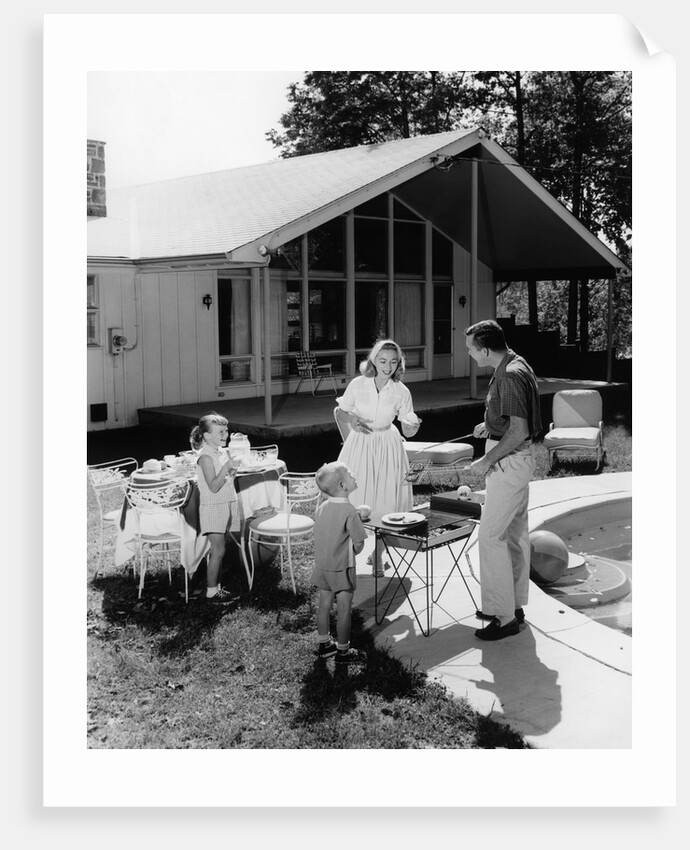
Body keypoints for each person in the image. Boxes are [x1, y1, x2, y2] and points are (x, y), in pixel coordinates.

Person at [465, 320, 542, 641]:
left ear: (484, 350)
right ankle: (513, 605)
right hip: (517, 459)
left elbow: (520, 430)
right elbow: (512, 418)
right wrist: (491, 424)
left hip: (509, 461)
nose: (469, 353)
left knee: (491, 536)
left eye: (470, 349)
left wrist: (486, 460)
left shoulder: (509, 376)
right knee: (513, 535)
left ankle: (504, 616)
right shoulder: (516, 363)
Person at [336, 339, 421, 575]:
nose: (388, 366)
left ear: (399, 364)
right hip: (360, 443)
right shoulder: (358, 384)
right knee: (354, 496)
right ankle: (347, 555)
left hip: (388, 445)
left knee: (387, 498)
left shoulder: (401, 391)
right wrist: (352, 420)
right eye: (383, 360)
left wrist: (413, 425)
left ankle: (379, 555)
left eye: (393, 362)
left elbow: (408, 429)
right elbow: (342, 412)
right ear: (373, 359)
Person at [310, 462, 369, 665]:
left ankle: (324, 644)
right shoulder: (350, 512)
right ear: (343, 486)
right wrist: (353, 550)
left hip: (323, 566)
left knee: (324, 605)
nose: (354, 475)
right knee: (344, 609)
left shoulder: (321, 508)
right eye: (351, 474)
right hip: (343, 567)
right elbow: (359, 544)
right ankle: (343, 652)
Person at [189, 412, 240, 604]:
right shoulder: (205, 457)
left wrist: (231, 469)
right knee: (217, 551)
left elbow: (225, 480)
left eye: (226, 431)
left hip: (224, 504)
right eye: (220, 432)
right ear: (206, 435)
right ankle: (211, 592)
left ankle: (216, 586)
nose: (225, 435)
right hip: (213, 507)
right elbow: (213, 486)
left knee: (220, 550)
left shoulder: (220, 451)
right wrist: (227, 467)